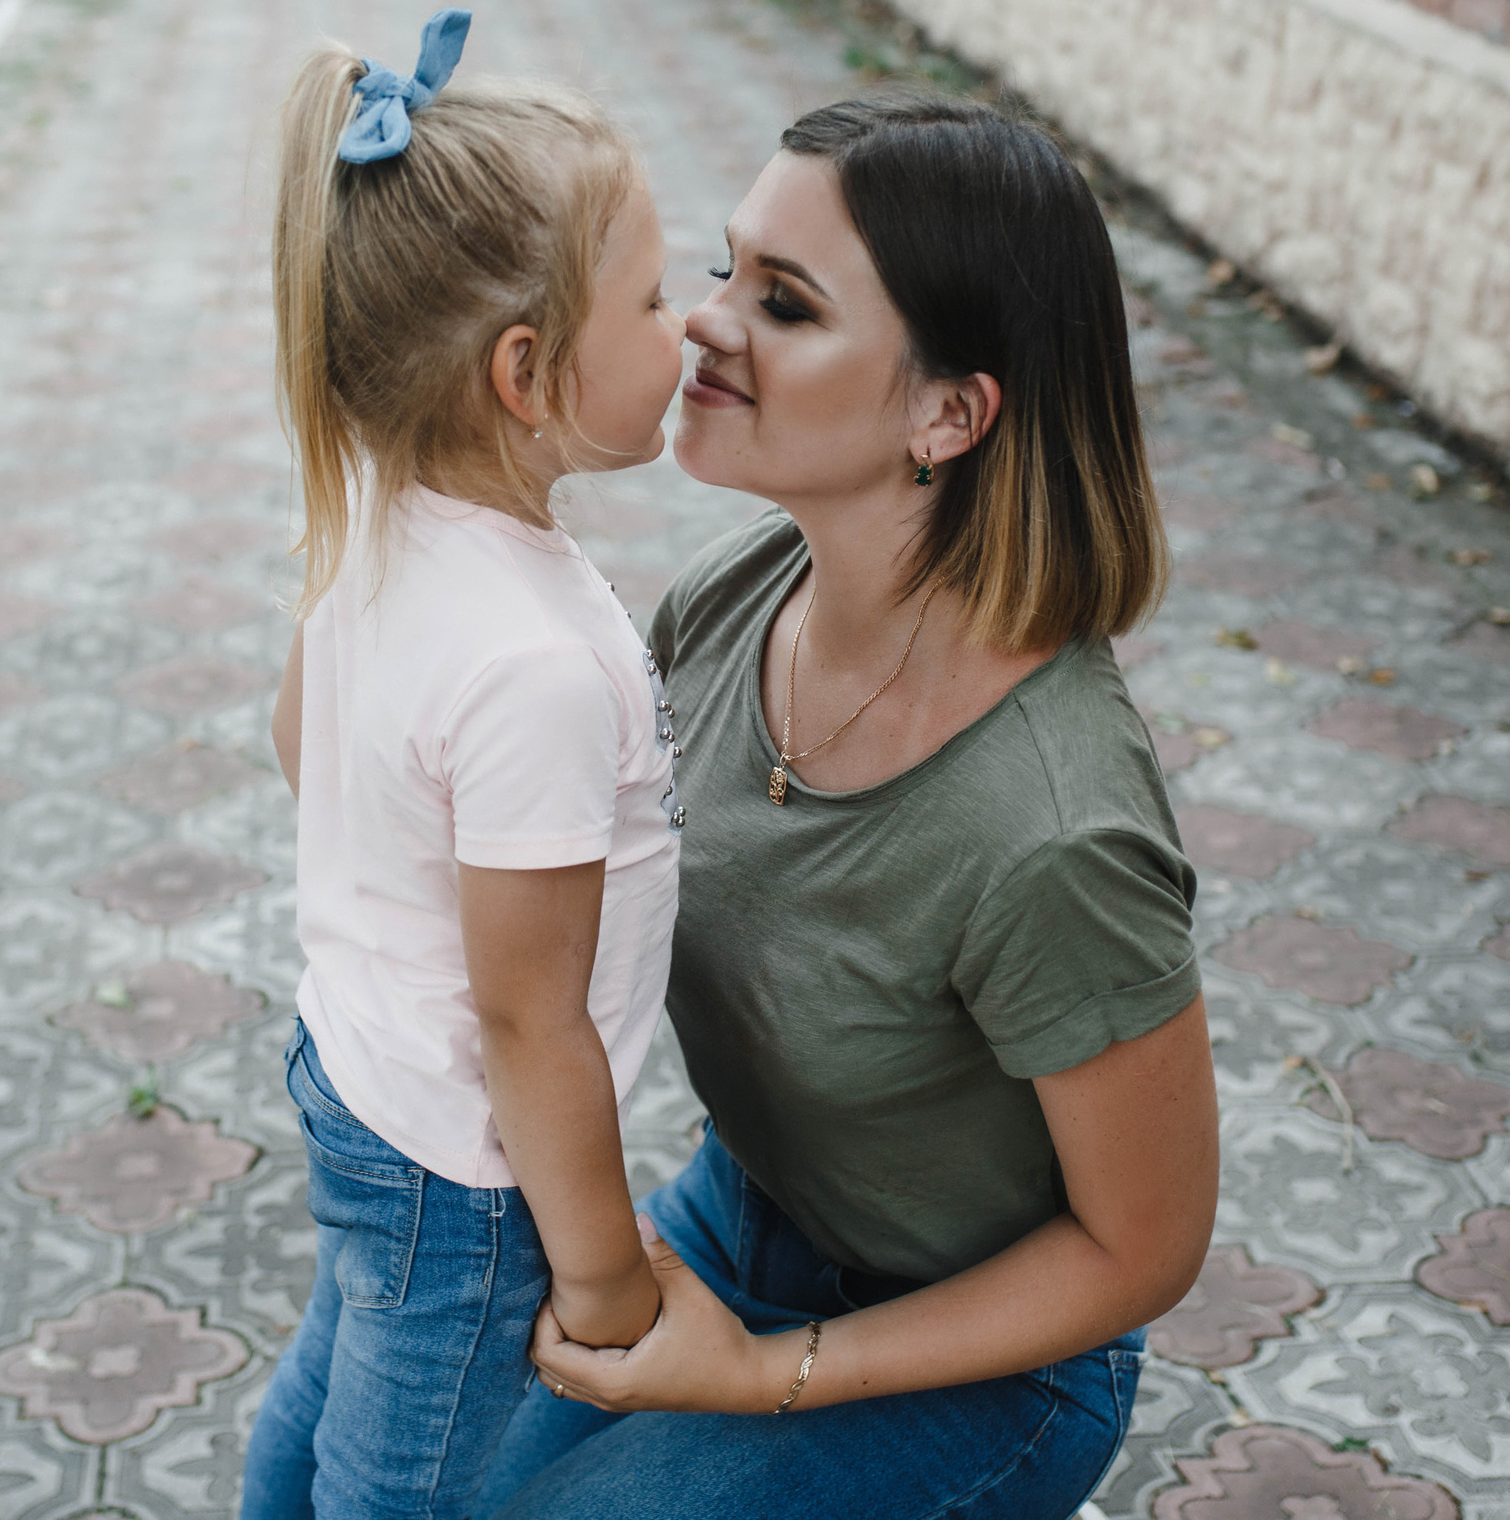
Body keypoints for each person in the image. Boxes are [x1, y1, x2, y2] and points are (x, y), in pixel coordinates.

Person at [478, 90, 1219, 1519]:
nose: (705, 324)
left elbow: (1147, 1248)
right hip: (744, 1214)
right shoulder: (740, 597)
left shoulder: (1054, 835)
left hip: (982, 1358)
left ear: (951, 412)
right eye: (722, 272)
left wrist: (772, 1375)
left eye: (787, 305)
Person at [241, 9, 692, 1520]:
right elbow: (527, 1019)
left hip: (354, 1065)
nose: (688, 325)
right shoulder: (537, 664)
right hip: (463, 1171)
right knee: (409, 1481)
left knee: (339, 1364)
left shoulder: (377, 507)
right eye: (650, 301)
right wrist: (608, 1272)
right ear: (525, 370)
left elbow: (303, 743)